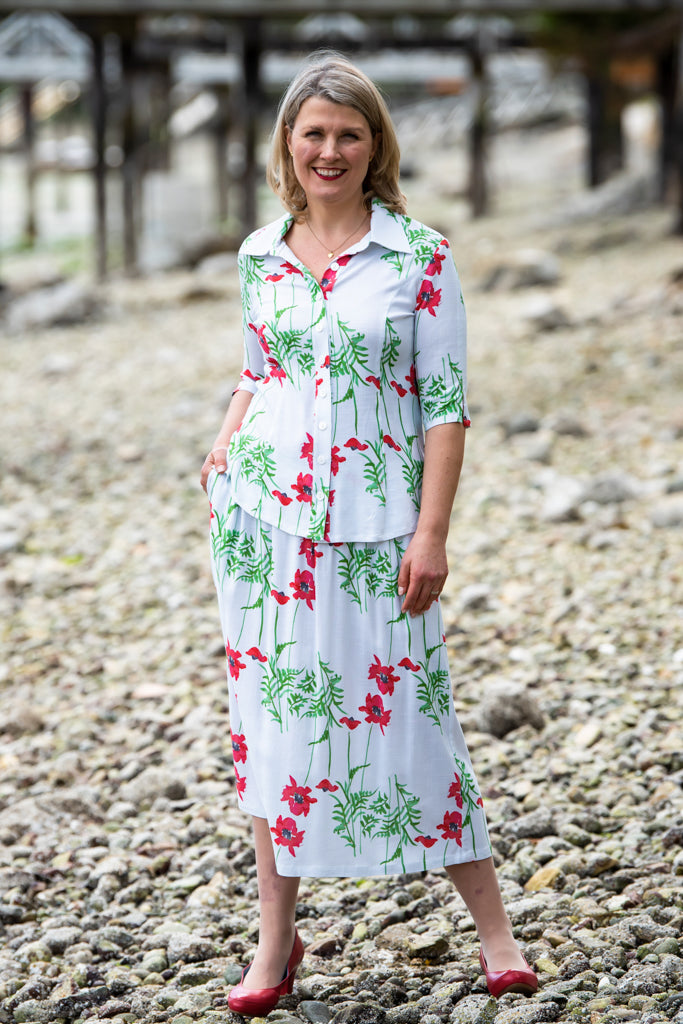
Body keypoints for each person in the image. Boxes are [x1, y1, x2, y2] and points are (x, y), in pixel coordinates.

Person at [200, 51, 538, 1017]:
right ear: (287, 144)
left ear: (374, 145)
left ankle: (496, 934)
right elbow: (260, 369)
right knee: (272, 729)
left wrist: (432, 535)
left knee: (416, 718)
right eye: (313, 133)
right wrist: (221, 448)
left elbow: (445, 406)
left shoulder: (418, 256)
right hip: (264, 528)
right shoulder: (258, 254)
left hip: (379, 526)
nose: (329, 150)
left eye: (348, 134)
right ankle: (275, 943)